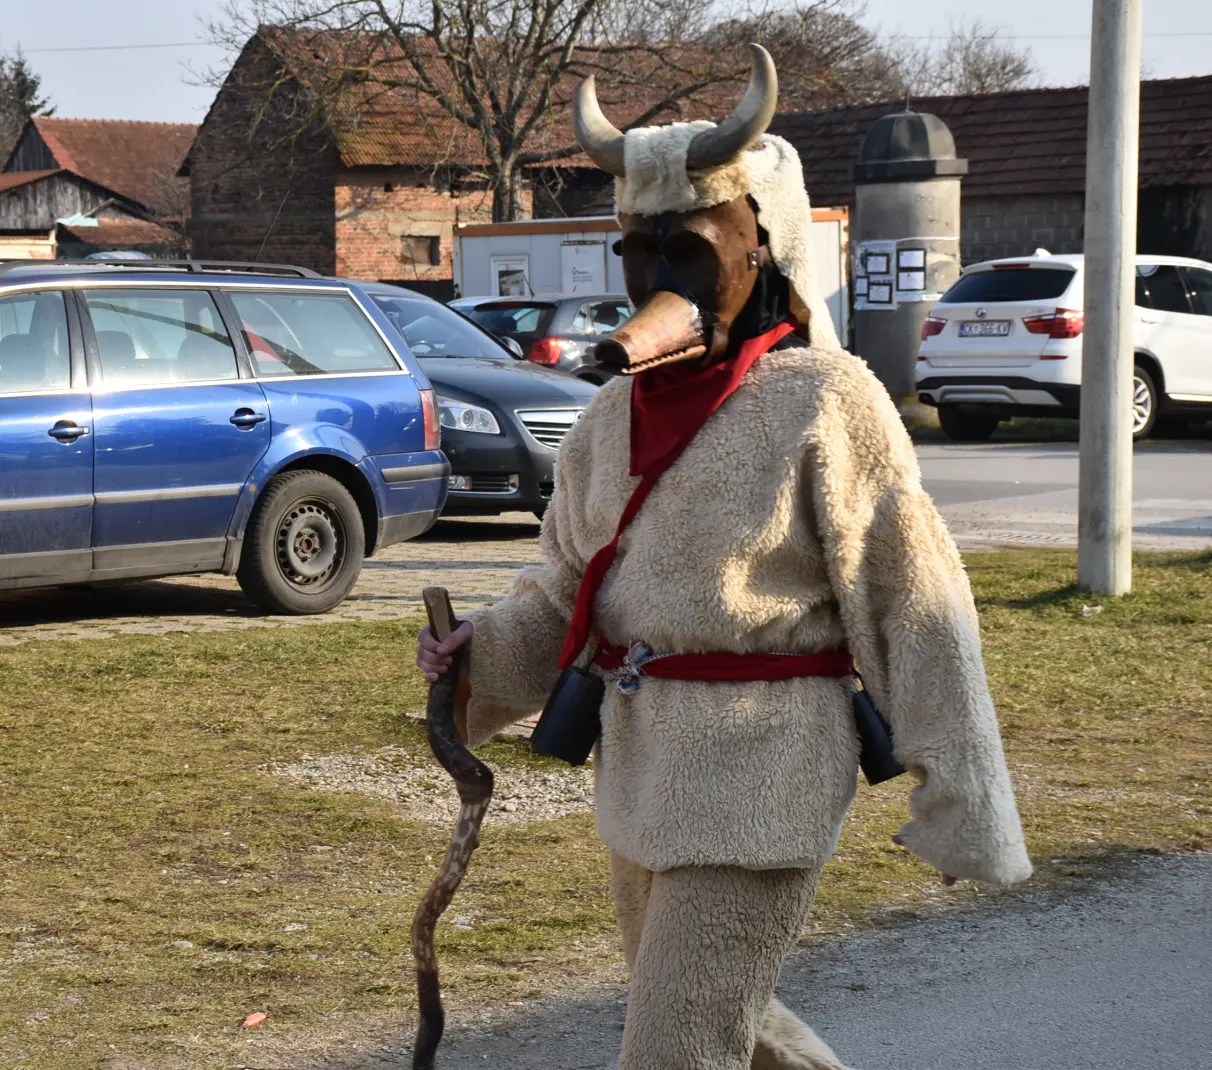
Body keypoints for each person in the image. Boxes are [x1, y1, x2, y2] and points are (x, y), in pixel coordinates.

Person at [415, 46, 1031, 1070]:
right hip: (641, 769)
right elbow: (568, 587)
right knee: (736, 1032)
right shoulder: (606, 417)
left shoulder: (825, 398)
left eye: (689, 251)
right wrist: (482, 652)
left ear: (763, 249)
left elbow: (914, 600)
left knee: (672, 1048)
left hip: (764, 771)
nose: (660, 280)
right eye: (640, 253)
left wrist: (960, 791)